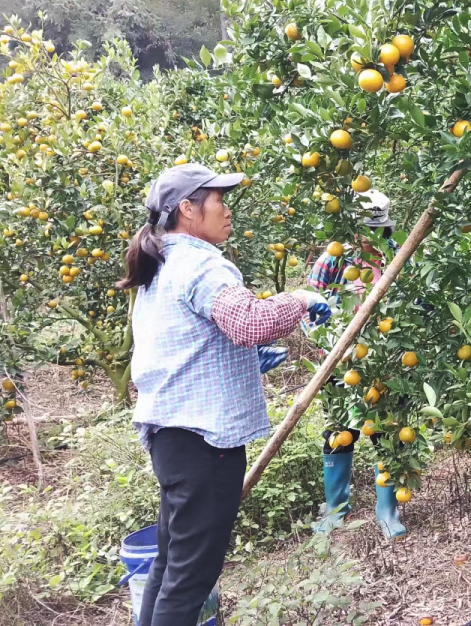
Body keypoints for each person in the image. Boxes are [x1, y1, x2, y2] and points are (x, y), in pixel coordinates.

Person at [120, 163, 329, 626]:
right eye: (219, 200)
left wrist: (242, 365)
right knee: (191, 579)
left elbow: (181, 343)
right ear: (188, 209)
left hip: (174, 438)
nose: (228, 209)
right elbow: (249, 322)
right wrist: (300, 298)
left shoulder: (164, 263)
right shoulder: (200, 262)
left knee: (170, 566)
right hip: (204, 446)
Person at [306, 189, 406, 538]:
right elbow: (309, 309)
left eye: (378, 230)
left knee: (385, 431)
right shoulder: (332, 260)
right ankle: (335, 509)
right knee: (339, 432)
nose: (371, 237)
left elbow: (409, 300)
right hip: (338, 360)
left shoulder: (394, 254)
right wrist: (329, 344)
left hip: (383, 360)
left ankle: (387, 509)